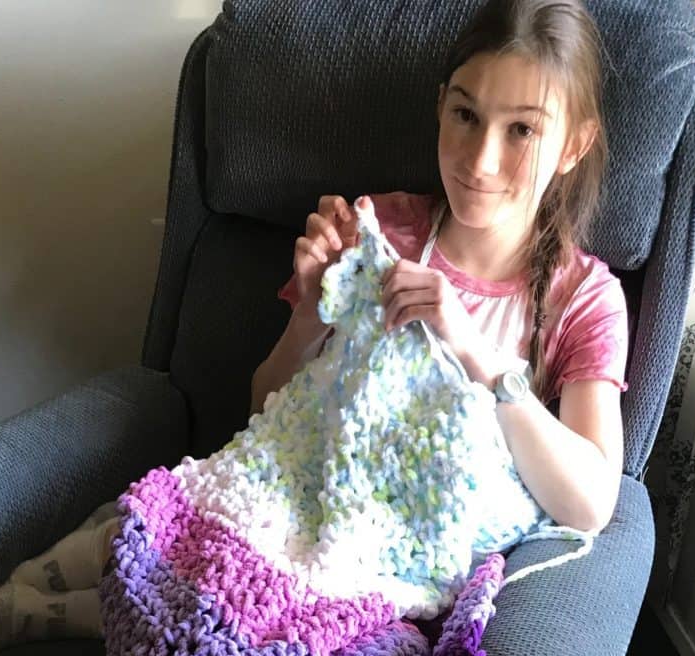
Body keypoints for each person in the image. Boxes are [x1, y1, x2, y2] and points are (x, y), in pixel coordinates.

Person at [250, 0, 627, 535]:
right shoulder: (374, 230)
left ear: (574, 145)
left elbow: (590, 504)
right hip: (303, 510)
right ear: (440, 107)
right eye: (466, 116)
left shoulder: (584, 298)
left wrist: (476, 353)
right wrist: (311, 314)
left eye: (522, 130)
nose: (480, 162)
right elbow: (263, 414)